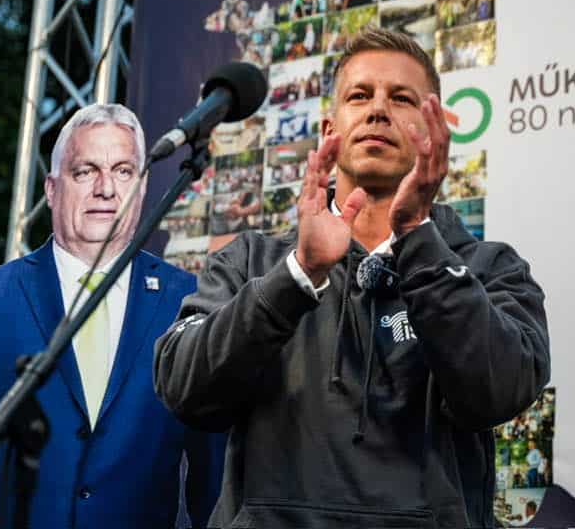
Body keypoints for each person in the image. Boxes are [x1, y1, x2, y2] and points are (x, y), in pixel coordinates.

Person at [154, 27, 550, 528]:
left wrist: (419, 240)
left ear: (433, 133)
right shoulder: (251, 260)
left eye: (401, 98)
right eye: (359, 96)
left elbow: (500, 391)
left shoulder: (490, 268)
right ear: (329, 131)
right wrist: (298, 275)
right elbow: (184, 390)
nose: (378, 110)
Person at [0, 104, 223, 528]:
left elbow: (214, 475)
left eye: (123, 171)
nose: (106, 189)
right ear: (51, 189)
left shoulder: (187, 302)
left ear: (141, 189)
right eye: (85, 171)